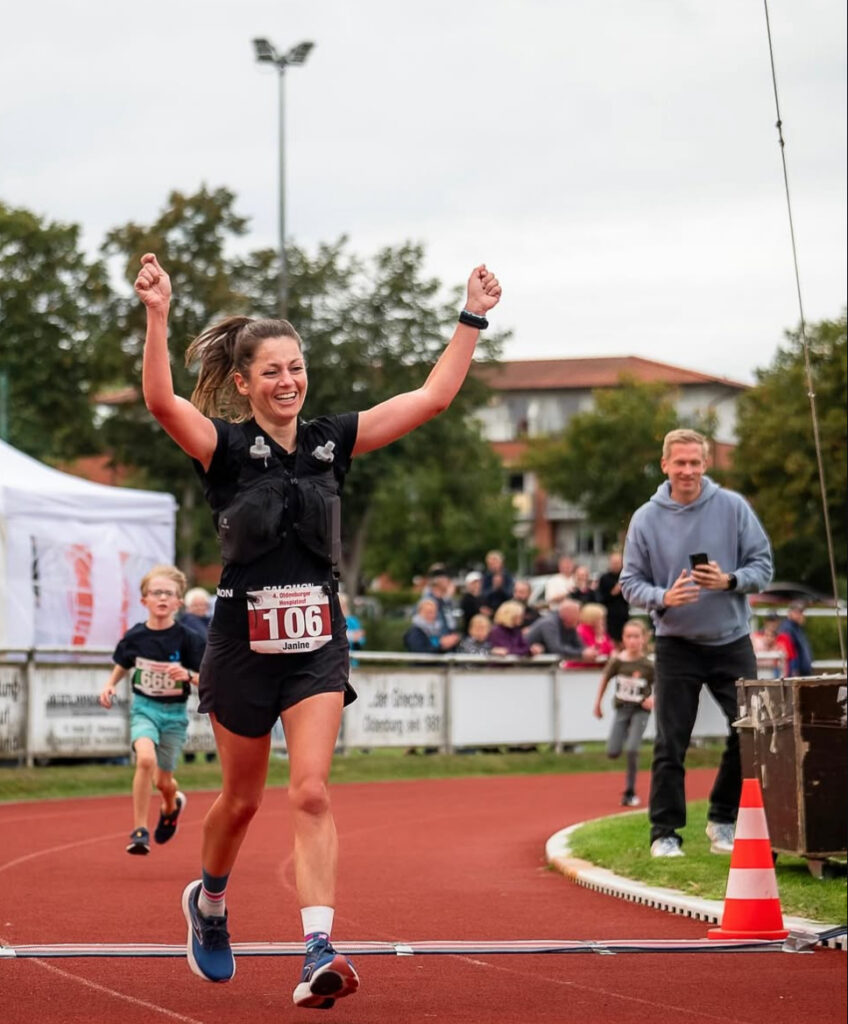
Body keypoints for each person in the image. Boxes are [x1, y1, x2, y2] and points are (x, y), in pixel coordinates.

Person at [133, 251, 500, 1007]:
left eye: (295, 368)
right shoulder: (226, 450)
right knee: (240, 801)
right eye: (271, 371)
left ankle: (318, 951)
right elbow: (165, 403)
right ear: (244, 383)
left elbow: (431, 398)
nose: (288, 381)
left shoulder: (333, 440)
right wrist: (158, 315)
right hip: (240, 647)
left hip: (315, 646)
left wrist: (471, 316)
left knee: (311, 792)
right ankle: (209, 903)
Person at [619, 428, 773, 859]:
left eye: (695, 462)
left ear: (706, 464)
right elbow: (629, 583)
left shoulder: (733, 507)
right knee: (672, 741)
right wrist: (662, 597)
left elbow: (763, 566)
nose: (687, 470)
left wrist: (730, 580)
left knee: (752, 733)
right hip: (675, 643)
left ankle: (722, 818)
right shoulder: (646, 518)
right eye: (679, 462)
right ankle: (664, 833)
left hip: (731, 639)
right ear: (665, 464)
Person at [98, 564, 204, 855]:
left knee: (163, 782)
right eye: (155, 592)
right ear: (143, 600)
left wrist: (188, 676)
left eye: (168, 593)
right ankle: (139, 830)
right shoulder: (135, 636)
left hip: (174, 715)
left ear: (178, 602)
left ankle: (171, 805)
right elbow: (124, 662)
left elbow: (209, 677)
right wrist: (110, 684)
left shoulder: (188, 638)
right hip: (144, 708)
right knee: (144, 760)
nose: (161, 598)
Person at [593, 618, 655, 807]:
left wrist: (654, 699)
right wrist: (598, 703)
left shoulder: (648, 664)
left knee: (633, 749)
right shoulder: (618, 661)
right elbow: (605, 679)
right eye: (628, 637)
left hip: (640, 711)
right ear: (623, 639)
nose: (632, 641)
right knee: (612, 751)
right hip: (622, 709)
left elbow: (661, 684)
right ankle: (623, 737)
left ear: (644, 639)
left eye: (636, 636)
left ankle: (630, 791)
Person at [525, 598, 598, 662]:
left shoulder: (570, 625)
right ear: (567, 613)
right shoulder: (549, 623)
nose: (579, 617)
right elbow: (555, 648)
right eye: (577, 613)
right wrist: (581, 653)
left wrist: (587, 652)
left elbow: (579, 646)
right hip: (528, 668)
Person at [596, 551, 630, 646]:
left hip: (623, 615)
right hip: (609, 616)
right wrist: (613, 592)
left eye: (618, 562)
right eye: (614, 563)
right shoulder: (604, 578)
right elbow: (601, 598)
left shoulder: (626, 577)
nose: (616, 565)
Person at [777, 600, 814, 676]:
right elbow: (789, 653)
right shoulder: (787, 629)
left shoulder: (797, 628)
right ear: (790, 613)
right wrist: (794, 670)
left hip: (802, 673)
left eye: (801, 612)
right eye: (798, 612)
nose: (801, 615)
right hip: (796, 674)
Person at [750, 612, 786, 677]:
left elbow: (786, 662)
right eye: (770, 620)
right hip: (757, 674)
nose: (772, 624)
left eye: (774, 621)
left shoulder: (783, 640)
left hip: (774, 676)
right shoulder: (754, 638)